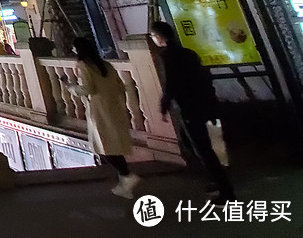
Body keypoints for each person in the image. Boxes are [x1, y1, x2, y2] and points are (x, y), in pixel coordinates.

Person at [150, 21, 234, 202]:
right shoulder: (188, 53)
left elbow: (170, 85)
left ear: (159, 37)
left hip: (189, 107)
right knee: (194, 144)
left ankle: (226, 191)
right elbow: (203, 76)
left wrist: (164, 106)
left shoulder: (168, 57)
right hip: (203, 103)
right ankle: (218, 180)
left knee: (202, 148)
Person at [69, 36, 139, 198]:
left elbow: (88, 88)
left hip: (99, 109)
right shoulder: (106, 65)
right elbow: (121, 86)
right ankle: (125, 183)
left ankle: (127, 175)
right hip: (114, 107)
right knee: (113, 144)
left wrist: (72, 88)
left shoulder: (83, 65)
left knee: (103, 147)